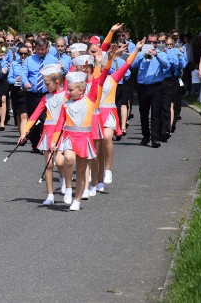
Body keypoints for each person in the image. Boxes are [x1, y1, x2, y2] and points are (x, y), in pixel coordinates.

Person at [51, 68, 108, 211]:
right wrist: (54, 141)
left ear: (81, 90)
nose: (68, 93)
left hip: (84, 138)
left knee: (82, 170)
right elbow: (59, 124)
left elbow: (97, 81)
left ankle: (77, 199)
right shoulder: (66, 104)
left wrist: (100, 63)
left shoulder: (90, 101)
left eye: (70, 90)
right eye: (67, 90)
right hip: (69, 137)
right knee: (68, 159)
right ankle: (69, 187)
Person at [97, 39, 144, 189]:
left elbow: (127, 64)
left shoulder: (114, 78)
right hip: (95, 114)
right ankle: (97, 180)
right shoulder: (91, 79)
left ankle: (108, 170)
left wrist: (136, 50)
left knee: (107, 137)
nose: (103, 64)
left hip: (109, 112)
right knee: (97, 148)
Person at [18, 64, 67, 205]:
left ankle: (63, 176)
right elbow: (34, 116)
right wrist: (25, 132)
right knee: (48, 165)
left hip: (62, 131)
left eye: (47, 84)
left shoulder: (66, 95)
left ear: (57, 82)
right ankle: (50, 195)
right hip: (48, 132)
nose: (45, 87)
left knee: (59, 161)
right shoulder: (46, 98)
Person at [132, 33, 171, 148]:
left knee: (155, 113)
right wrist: (141, 54)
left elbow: (167, 66)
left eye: (155, 42)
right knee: (143, 113)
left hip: (156, 86)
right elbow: (133, 65)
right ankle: (145, 136)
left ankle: (155, 138)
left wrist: (157, 55)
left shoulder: (161, 53)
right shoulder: (141, 53)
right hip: (143, 86)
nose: (153, 44)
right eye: (150, 42)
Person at [20, 38, 58, 153]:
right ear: (35, 48)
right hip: (32, 94)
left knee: (45, 119)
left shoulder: (53, 60)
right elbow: (23, 73)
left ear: (47, 48)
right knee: (33, 119)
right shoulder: (29, 60)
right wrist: (25, 82)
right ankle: (35, 143)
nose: (40, 52)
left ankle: (45, 143)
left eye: (43, 49)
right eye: (38, 49)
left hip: (47, 94)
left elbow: (57, 75)